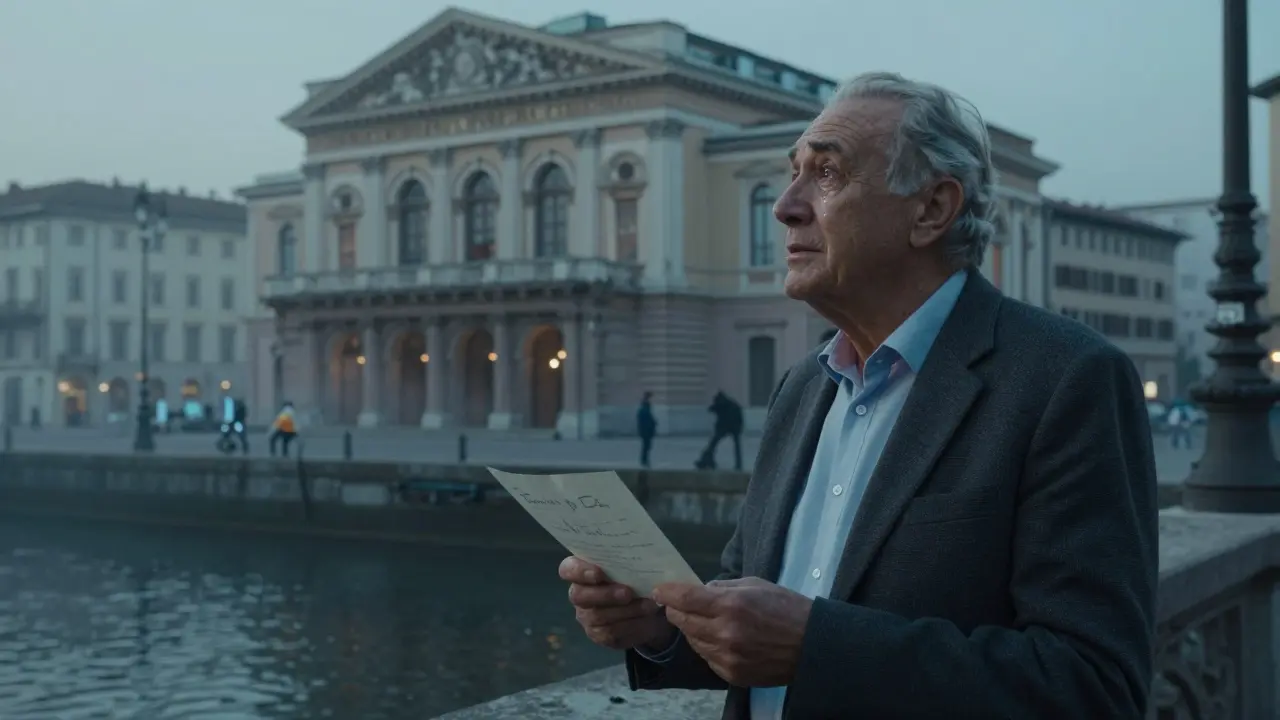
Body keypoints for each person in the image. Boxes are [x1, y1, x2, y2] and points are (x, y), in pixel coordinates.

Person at [561, 71, 1157, 719]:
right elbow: (753, 634)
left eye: (826, 174)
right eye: (792, 173)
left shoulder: (1065, 378)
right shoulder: (802, 389)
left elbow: (1095, 687)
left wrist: (818, 646)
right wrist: (660, 630)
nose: (785, 205)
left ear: (931, 209)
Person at [695, 391, 744, 471]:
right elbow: (713, 409)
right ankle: (707, 459)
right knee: (715, 443)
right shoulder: (727, 405)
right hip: (732, 427)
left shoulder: (728, 406)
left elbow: (727, 419)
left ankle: (707, 459)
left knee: (714, 442)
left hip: (732, 427)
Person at [636, 392, 657, 468]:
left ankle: (644, 460)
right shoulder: (645, 409)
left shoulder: (645, 408)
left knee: (646, 446)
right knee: (646, 446)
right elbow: (646, 421)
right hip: (646, 431)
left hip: (646, 431)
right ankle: (644, 460)